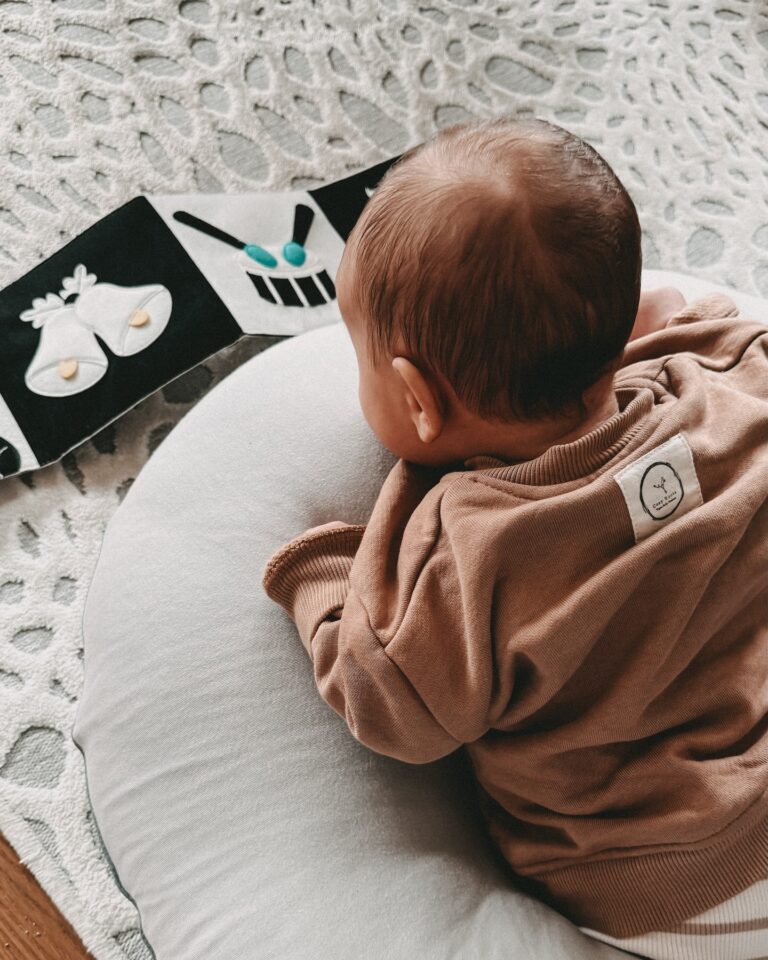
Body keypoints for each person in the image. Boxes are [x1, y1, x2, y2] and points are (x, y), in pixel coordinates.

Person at [262, 116, 768, 959]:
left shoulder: (467, 561)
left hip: (664, 891)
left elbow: (387, 701)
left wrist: (319, 572)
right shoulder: (729, 390)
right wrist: (667, 334)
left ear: (417, 401)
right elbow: (726, 335)